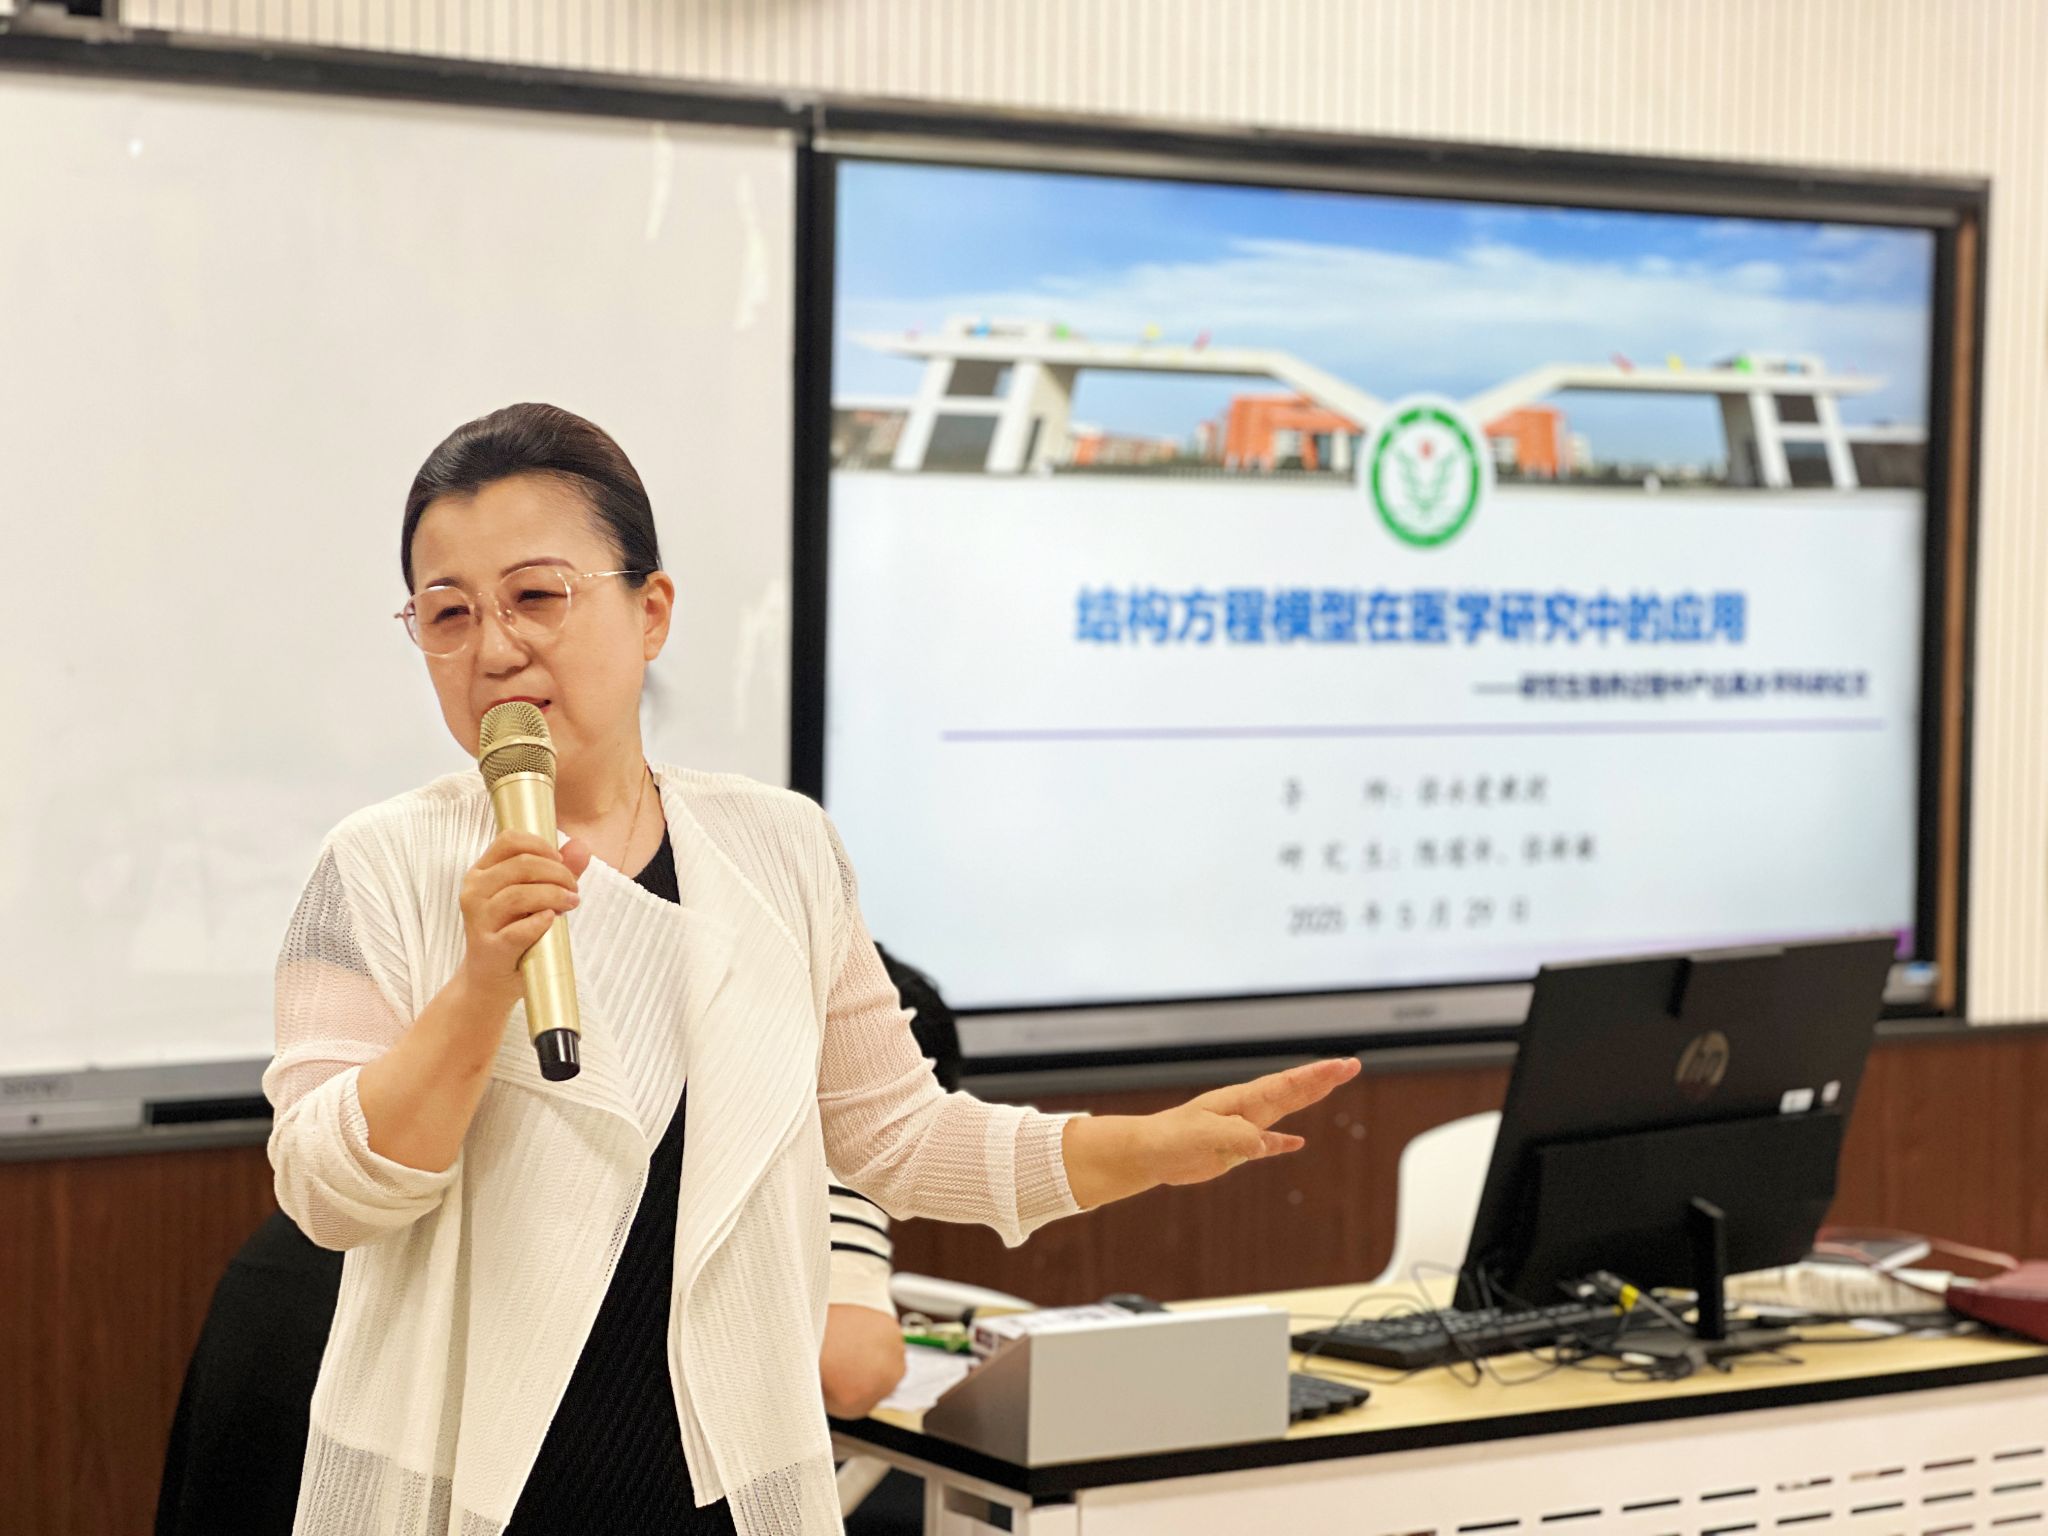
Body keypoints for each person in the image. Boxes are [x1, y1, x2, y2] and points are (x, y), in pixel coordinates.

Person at [265, 402, 1360, 1536]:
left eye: (536, 596)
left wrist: (1148, 1148)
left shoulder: (780, 848)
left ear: (651, 611)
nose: (495, 648)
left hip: (724, 1487)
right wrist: (478, 987)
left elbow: (900, 1138)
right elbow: (326, 1191)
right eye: (448, 614)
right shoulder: (377, 866)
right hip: (472, 1494)